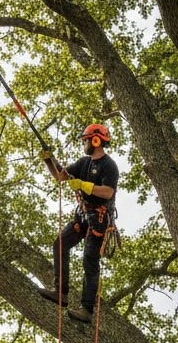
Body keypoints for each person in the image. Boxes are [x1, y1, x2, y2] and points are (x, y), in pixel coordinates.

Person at [37, 123, 119, 323]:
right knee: (60, 243)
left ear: (96, 140)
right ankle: (60, 292)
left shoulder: (109, 165)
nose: (84, 143)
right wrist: (49, 160)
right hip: (82, 216)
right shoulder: (84, 163)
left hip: (99, 220)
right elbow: (60, 175)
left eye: (86, 140)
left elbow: (108, 191)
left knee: (89, 261)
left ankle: (86, 310)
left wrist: (84, 185)